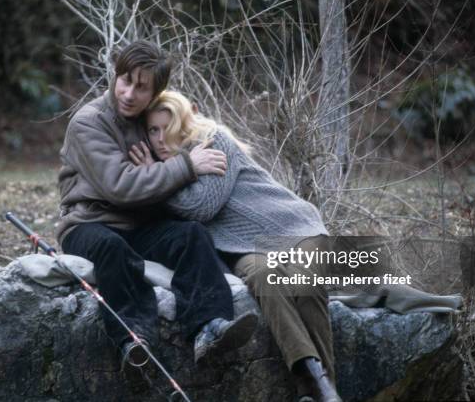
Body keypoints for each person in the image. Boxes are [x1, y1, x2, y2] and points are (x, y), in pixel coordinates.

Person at [129, 90, 342, 402]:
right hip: (243, 249)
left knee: (304, 286)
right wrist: (161, 174)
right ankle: (311, 381)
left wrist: (157, 177)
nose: (160, 139)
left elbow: (202, 207)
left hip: (294, 227)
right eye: (153, 130)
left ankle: (322, 390)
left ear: (186, 123)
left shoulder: (214, 142)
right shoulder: (172, 167)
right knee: (266, 279)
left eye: (167, 127)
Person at [56, 41, 258, 368]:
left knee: (191, 234)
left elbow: (178, 152)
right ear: (115, 75)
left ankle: (211, 327)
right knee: (112, 249)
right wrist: (186, 166)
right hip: (88, 225)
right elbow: (120, 186)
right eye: (125, 80)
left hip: (141, 226)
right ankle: (134, 340)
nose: (128, 94)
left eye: (141, 87)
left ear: (155, 94)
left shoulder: (153, 120)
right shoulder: (89, 122)